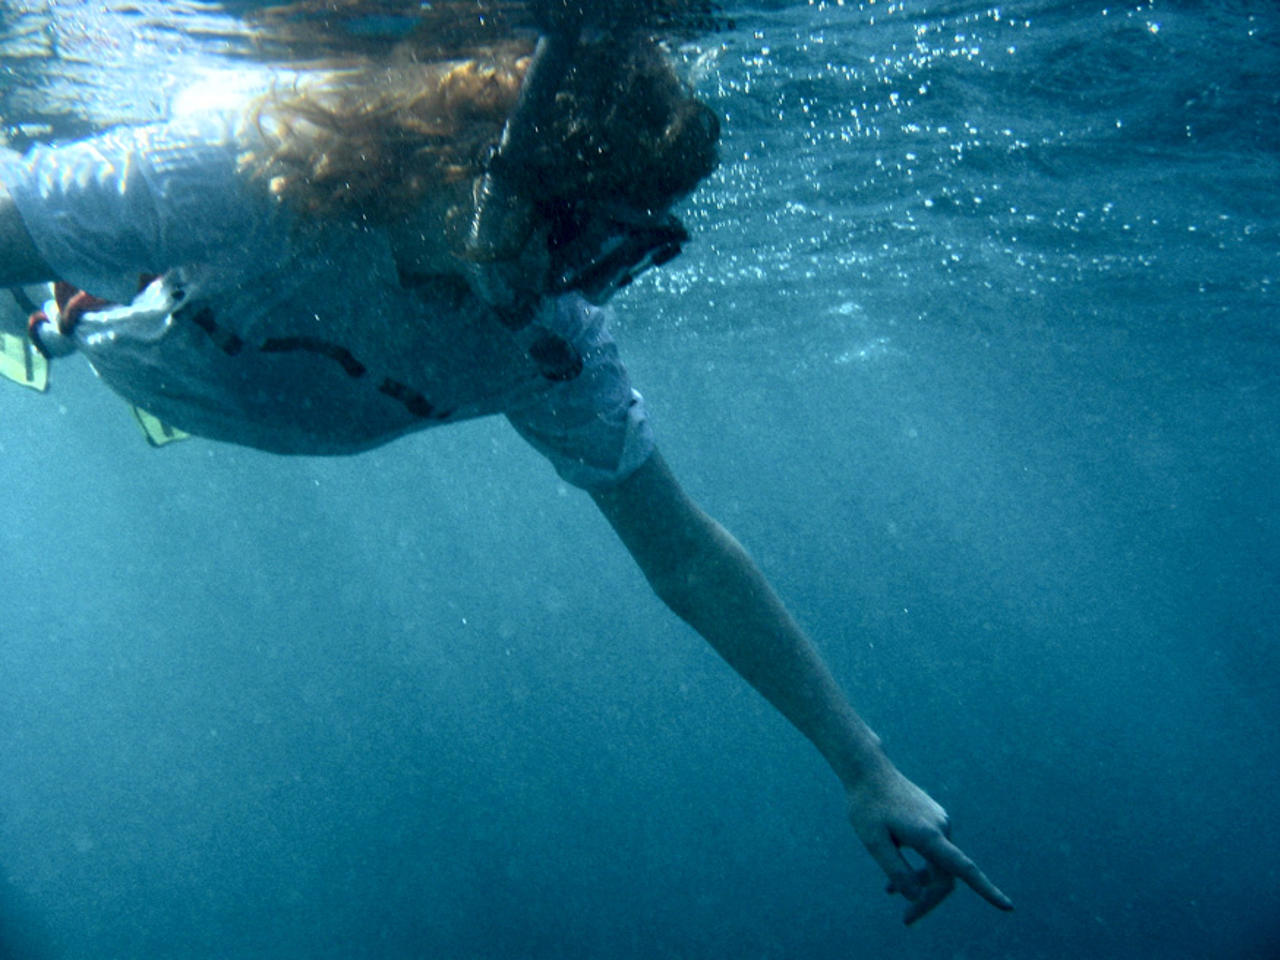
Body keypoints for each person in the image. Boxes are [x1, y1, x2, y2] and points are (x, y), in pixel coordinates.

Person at [0, 3, 1012, 926]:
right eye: (576, 237)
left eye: (622, 254)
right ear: (479, 176)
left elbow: (686, 557)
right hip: (139, 325)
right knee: (48, 287)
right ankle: (47, 315)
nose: (576, 284)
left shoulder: (551, 343)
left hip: (216, 381)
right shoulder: (241, 178)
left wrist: (862, 767)